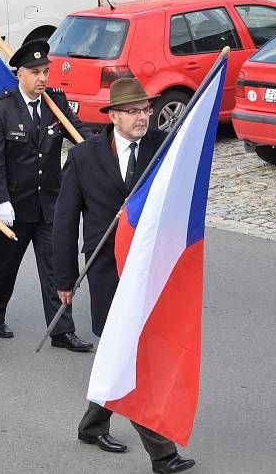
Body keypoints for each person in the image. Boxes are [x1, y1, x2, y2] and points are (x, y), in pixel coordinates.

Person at [53, 78, 195, 474]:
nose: (142, 117)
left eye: (146, 110)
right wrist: (63, 281)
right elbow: (64, 222)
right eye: (133, 111)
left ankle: (93, 423)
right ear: (112, 116)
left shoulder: (163, 147)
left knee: (127, 354)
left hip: (149, 269)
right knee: (128, 355)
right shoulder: (83, 156)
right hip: (105, 273)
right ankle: (162, 455)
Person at [0, 39, 94, 350]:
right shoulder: (1, 109)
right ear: (20, 74)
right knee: (3, 266)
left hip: (49, 205)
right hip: (13, 206)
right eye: (35, 72)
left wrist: (104, 149)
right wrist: (0, 199)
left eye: (46, 71)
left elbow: (80, 133)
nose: (43, 78)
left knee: (57, 267)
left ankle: (61, 330)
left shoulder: (56, 102)